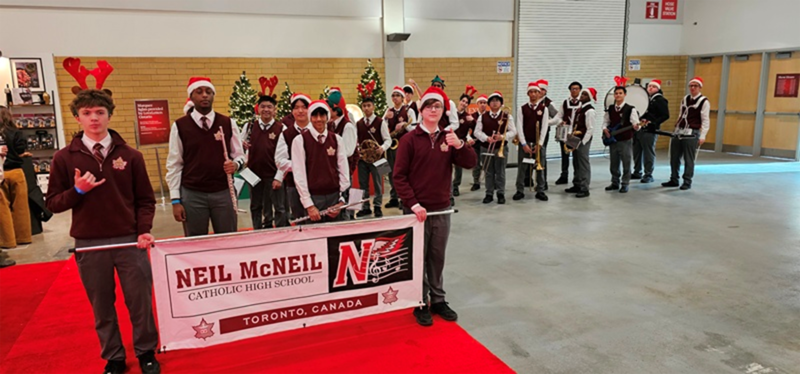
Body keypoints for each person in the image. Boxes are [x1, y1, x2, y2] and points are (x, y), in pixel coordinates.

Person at [46, 86, 159, 374]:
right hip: (89, 243)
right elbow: (53, 204)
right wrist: (77, 191)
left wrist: (143, 230)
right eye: (87, 113)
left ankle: (147, 352)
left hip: (129, 241)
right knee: (102, 306)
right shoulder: (64, 158)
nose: (94, 118)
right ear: (77, 118)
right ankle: (114, 357)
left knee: (140, 302)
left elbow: (145, 200)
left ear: (109, 115)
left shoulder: (130, 156)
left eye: (99, 112)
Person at [393, 86, 477, 326]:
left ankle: (438, 299)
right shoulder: (409, 140)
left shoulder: (448, 138)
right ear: (421, 110)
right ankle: (420, 301)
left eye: (437, 106)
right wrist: (413, 203)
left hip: (441, 209)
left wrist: (460, 145)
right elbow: (399, 176)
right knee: (418, 258)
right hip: (416, 211)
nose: (433, 109)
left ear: (443, 110)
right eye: (428, 105)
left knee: (437, 257)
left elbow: (470, 163)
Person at [167, 77, 245, 236]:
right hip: (192, 193)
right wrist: (175, 199)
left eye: (209, 92)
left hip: (223, 192)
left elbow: (241, 156)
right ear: (191, 96)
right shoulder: (180, 126)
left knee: (228, 239)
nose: (204, 95)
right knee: (195, 242)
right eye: (199, 91)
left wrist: (236, 165)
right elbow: (174, 164)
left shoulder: (228, 123)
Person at [291, 100, 349, 224]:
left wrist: (341, 201)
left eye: (322, 115)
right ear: (310, 118)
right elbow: (299, 174)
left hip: (334, 197)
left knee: (336, 239)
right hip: (314, 198)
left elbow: (344, 170)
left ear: (327, 117)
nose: (318, 119)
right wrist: (309, 205)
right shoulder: (300, 141)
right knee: (315, 240)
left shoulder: (337, 139)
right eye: (315, 115)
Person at [242, 91, 287, 229]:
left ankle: (280, 232)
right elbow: (239, 148)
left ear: (274, 110)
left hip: (273, 174)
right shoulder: (249, 126)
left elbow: (284, 154)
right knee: (256, 205)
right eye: (263, 106)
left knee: (279, 207)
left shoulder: (281, 128)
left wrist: (279, 176)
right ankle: (258, 231)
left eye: (269, 107)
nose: (266, 109)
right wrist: (243, 148)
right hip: (253, 174)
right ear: (258, 108)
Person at [663, 77, 709, 190]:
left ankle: (687, 181)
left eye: (695, 86)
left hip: (692, 132)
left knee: (689, 158)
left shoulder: (704, 101)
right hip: (680, 130)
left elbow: (705, 120)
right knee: (674, 157)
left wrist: (703, 135)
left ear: (700, 87)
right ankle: (674, 178)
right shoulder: (685, 99)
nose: (693, 88)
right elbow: (681, 113)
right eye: (691, 86)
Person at [275, 93, 312, 219]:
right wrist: (300, 166)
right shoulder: (286, 134)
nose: (300, 111)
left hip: (317, 184)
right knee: (300, 220)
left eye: (304, 107)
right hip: (294, 185)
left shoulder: (319, 131)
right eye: (296, 107)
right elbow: (280, 161)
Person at [474, 91, 515, 204]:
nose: (495, 103)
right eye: (492, 101)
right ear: (489, 104)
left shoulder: (507, 116)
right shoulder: (483, 116)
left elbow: (513, 131)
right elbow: (477, 132)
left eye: (497, 100)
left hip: (500, 148)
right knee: (488, 172)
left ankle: (501, 194)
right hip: (486, 148)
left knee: (500, 172)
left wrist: (502, 137)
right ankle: (489, 193)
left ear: (501, 103)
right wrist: (487, 138)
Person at [0, 106, 31, 252]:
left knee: (3, 209)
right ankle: (23, 237)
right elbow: (20, 150)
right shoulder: (16, 132)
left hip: (1, 172)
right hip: (16, 172)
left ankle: (8, 241)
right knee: (21, 207)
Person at [603, 78, 641, 194]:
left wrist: (637, 127)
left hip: (625, 139)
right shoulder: (610, 109)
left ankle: (625, 183)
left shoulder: (630, 109)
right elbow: (606, 122)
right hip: (613, 139)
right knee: (613, 163)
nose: (618, 95)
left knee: (626, 162)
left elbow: (636, 124)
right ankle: (614, 182)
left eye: (620, 93)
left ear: (625, 95)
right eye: (616, 93)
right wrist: (605, 129)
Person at [355, 94, 390, 218]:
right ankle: (365, 207)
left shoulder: (380, 122)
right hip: (363, 159)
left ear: (373, 107)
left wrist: (382, 148)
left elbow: (388, 140)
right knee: (362, 184)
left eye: (369, 105)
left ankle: (377, 206)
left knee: (378, 183)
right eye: (364, 106)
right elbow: (356, 140)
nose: (366, 108)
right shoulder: (358, 123)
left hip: (378, 159)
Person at [514, 82, 549, 202]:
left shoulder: (544, 109)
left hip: (538, 144)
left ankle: (540, 190)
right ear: (528, 93)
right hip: (526, 143)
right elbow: (519, 126)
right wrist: (523, 143)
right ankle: (519, 190)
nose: (533, 94)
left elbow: (544, 127)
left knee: (540, 167)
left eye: (536, 92)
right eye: (531, 92)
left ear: (539, 94)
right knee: (522, 167)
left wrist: (540, 143)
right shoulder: (522, 108)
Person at [326, 89, 358, 219]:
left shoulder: (347, 126)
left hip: (345, 171)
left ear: (335, 109)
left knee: (346, 203)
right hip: (335, 171)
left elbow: (349, 151)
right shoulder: (331, 125)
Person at [384, 86, 417, 209]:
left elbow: (414, 128)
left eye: (398, 95)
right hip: (392, 145)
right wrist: (386, 118)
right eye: (393, 95)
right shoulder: (388, 110)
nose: (395, 98)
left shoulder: (409, 111)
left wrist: (404, 125)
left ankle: (405, 198)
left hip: (405, 146)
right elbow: (383, 128)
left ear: (403, 98)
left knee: (405, 172)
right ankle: (394, 197)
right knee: (393, 172)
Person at [564, 88, 598, 198]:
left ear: (589, 97)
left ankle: (584, 187)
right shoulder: (579, 109)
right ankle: (577, 183)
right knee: (576, 162)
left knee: (583, 163)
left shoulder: (590, 111)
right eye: (582, 94)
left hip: (583, 139)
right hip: (575, 138)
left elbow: (590, 128)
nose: (581, 96)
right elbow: (573, 123)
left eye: (584, 94)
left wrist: (583, 142)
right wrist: (570, 135)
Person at [634, 79, 670, 183]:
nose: (650, 88)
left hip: (650, 130)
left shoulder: (660, 100)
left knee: (648, 152)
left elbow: (665, 115)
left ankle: (648, 173)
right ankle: (637, 171)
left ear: (658, 89)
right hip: (640, 128)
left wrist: (653, 122)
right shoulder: (645, 99)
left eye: (653, 87)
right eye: (649, 86)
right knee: (637, 151)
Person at [551, 82, 583, 186]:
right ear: (570, 90)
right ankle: (564, 175)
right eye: (573, 89)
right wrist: (560, 121)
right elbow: (559, 115)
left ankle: (577, 178)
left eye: (577, 89)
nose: (575, 91)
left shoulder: (583, 103)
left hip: (575, 134)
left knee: (576, 157)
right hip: (565, 133)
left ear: (580, 90)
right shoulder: (565, 102)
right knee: (564, 155)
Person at [452, 90, 476, 197]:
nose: (464, 103)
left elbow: (475, 131)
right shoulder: (451, 113)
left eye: (466, 102)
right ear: (459, 101)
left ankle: (455, 186)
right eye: (463, 101)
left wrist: (473, 121)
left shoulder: (467, 117)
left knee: (458, 167)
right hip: (448, 142)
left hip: (460, 144)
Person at [469, 94, 489, 191]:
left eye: (484, 103)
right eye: (481, 103)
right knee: (476, 164)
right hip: (475, 144)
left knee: (486, 164)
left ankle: (489, 182)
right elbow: (467, 130)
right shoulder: (472, 116)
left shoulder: (489, 115)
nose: (483, 105)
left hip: (485, 144)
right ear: (477, 104)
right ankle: (476, 182)